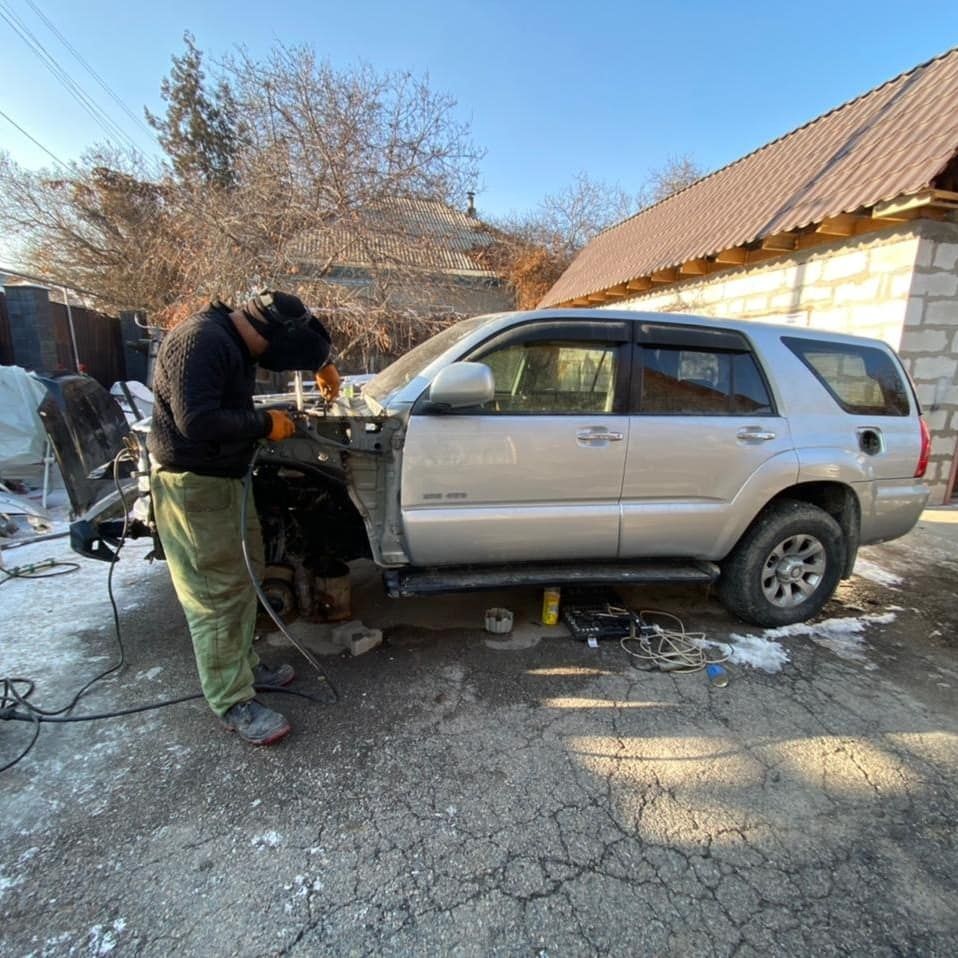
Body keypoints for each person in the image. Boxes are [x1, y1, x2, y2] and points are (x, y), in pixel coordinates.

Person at [148, 290, 341, 745]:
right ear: (261, 334)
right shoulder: (202, 341)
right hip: (195, 487)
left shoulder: (231, 336)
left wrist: (321, 362)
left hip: (227, 481)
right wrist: (263, 423)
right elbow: (197, 420)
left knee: (247, 574)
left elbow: (301, 338)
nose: (270, 363)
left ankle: (245, 668)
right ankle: (231, 700)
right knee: (217, 596)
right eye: (272, 355)